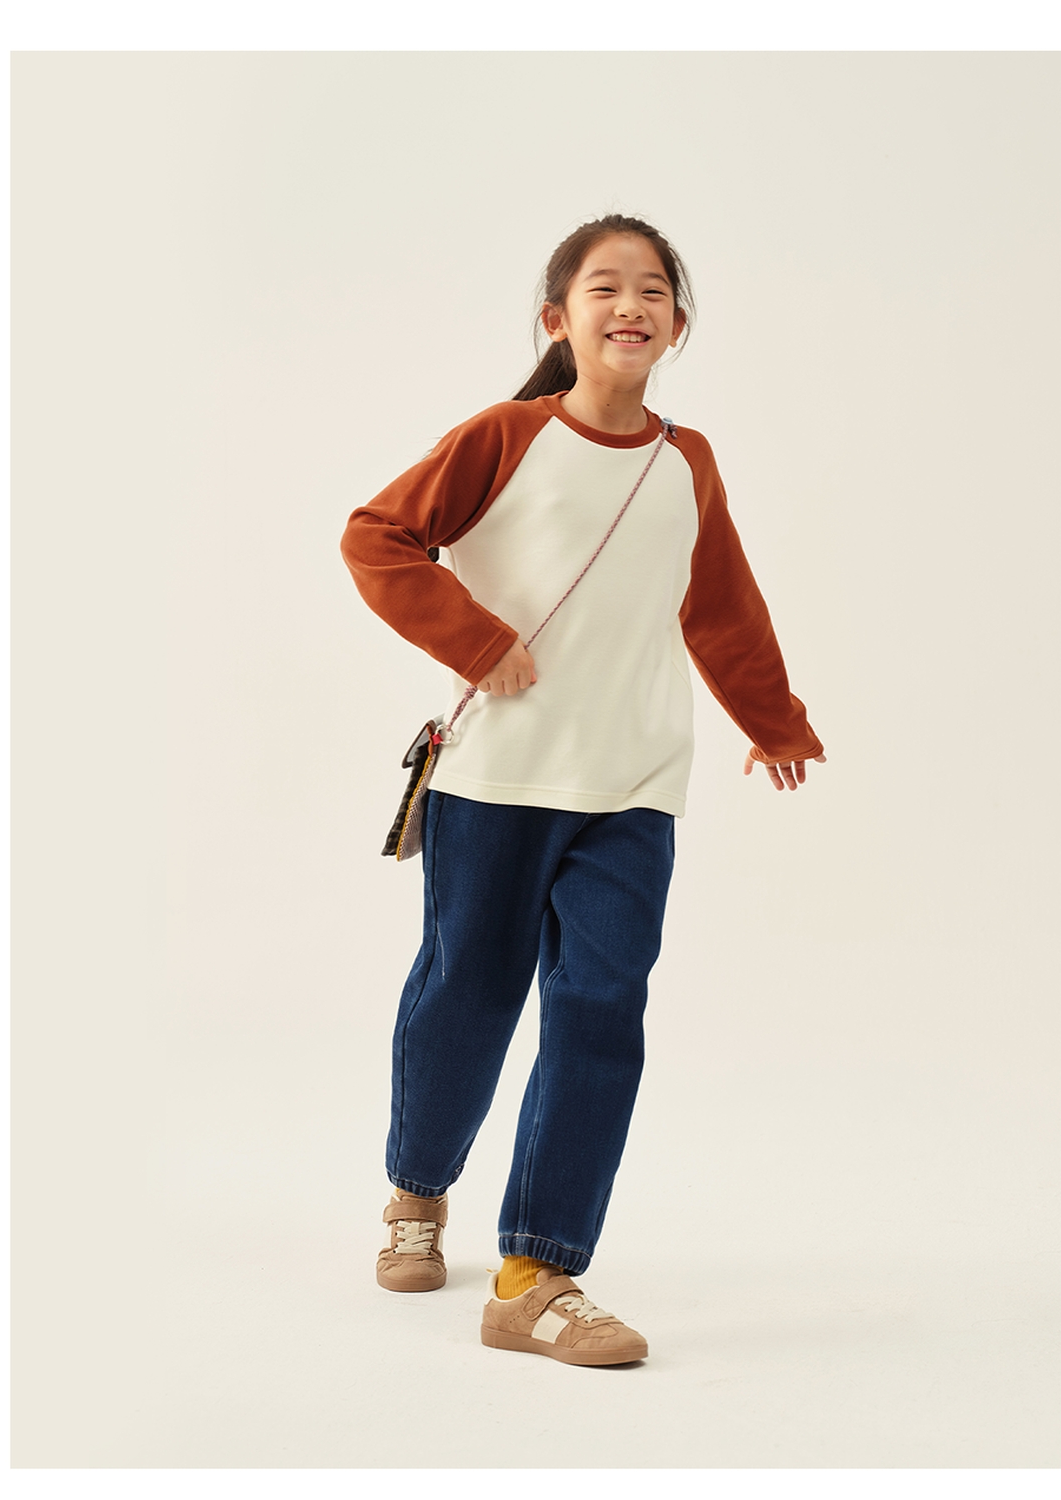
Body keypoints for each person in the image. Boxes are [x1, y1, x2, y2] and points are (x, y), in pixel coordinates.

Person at [340, 213, 825, 1367]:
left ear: (677, 324)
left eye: (653, 288)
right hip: (498, 782)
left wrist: (772, 718)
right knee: (468, 997)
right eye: (605, 287)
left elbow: (721, 603)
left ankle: (536, 1275)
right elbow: (376, 539)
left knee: (601, 1011)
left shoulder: (687, 461)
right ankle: (417, 1190)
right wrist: (476, 639)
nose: (631, 304)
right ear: (558, 320)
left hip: (635, 787)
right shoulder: (503, 437)